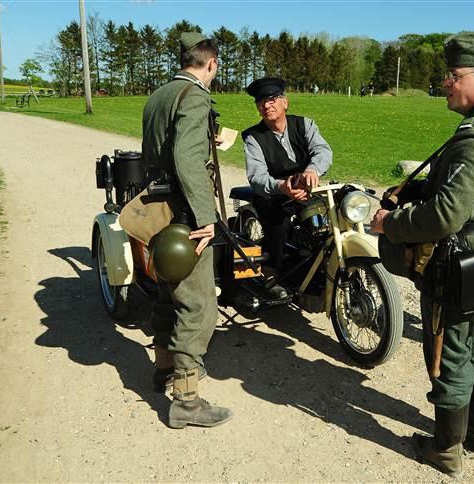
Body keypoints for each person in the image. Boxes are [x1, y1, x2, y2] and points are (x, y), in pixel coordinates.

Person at [370, 32, 474, 477]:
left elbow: (446, 213)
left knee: (449, 353)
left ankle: (446, 449)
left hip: (460, 262)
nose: (445, 82)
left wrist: (390, 224)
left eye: (453, 75)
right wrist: (420, 187)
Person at [141, 31, 232, 428]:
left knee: (167, 293)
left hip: (159, 209)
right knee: (197, 305)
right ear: (210, 64)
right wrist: (205, 217)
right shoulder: (194, 97)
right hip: (186, 215)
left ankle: (164, 369)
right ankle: (187, 400)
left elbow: (159, 151)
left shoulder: (160, 95)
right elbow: (188, 160)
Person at [242, 77, 332, 298]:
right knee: (278, 223)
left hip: (307, 186)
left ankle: (323, 267)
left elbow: (323, 151)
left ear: (285, 102)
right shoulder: (253, 138)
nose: (266, 105)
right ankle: (270, 273)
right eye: (261, 102)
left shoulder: (305, 124)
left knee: (329, 218)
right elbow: (257, 176)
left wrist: (312, 171)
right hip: (273, 193)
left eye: (272, 99)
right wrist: (282, 186)